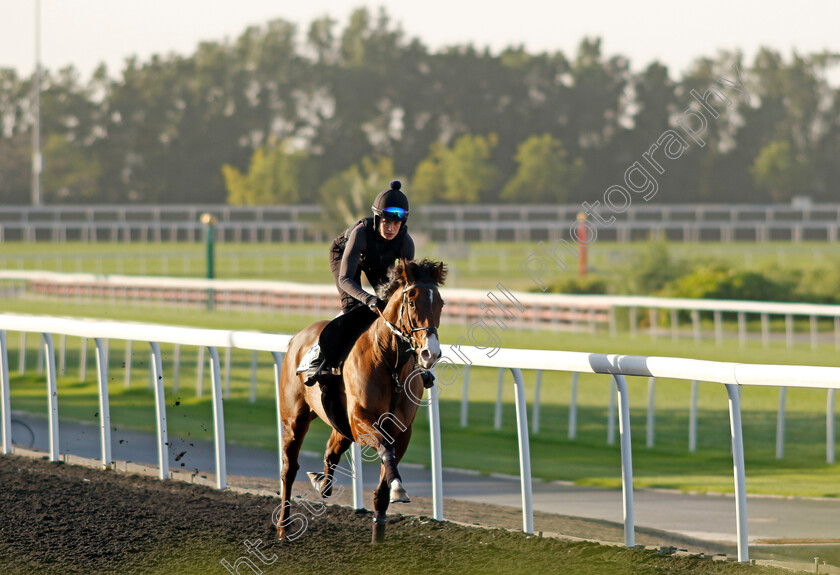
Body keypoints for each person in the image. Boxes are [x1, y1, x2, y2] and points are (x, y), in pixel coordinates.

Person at [300, 180, 434, 388]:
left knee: (393, 308)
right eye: (386, 222)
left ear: (402, 224)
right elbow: (345, 279)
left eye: (395, 224)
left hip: (378, 263)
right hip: (346, 258)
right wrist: (367, 298)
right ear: (377, 219)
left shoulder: (406, 242)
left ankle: (414, 364)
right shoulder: (361, 233)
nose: (390, 229)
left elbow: (407, 285)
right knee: (354, 309)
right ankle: (318, 357)